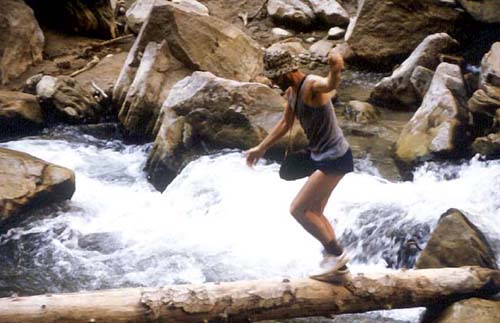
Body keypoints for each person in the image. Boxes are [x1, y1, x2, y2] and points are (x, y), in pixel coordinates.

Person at [245, 49, 353, 283]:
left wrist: (335, 69)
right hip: (321, 156)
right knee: (315, 212)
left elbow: (329, 84)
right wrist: (260, 148)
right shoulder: (292, 93)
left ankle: (337, 254)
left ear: (286, 71)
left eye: (275, 77)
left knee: (298, 210)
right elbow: (285, 123)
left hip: (335, 157)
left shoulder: (312, 85)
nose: (273, 82)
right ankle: (339, 271)